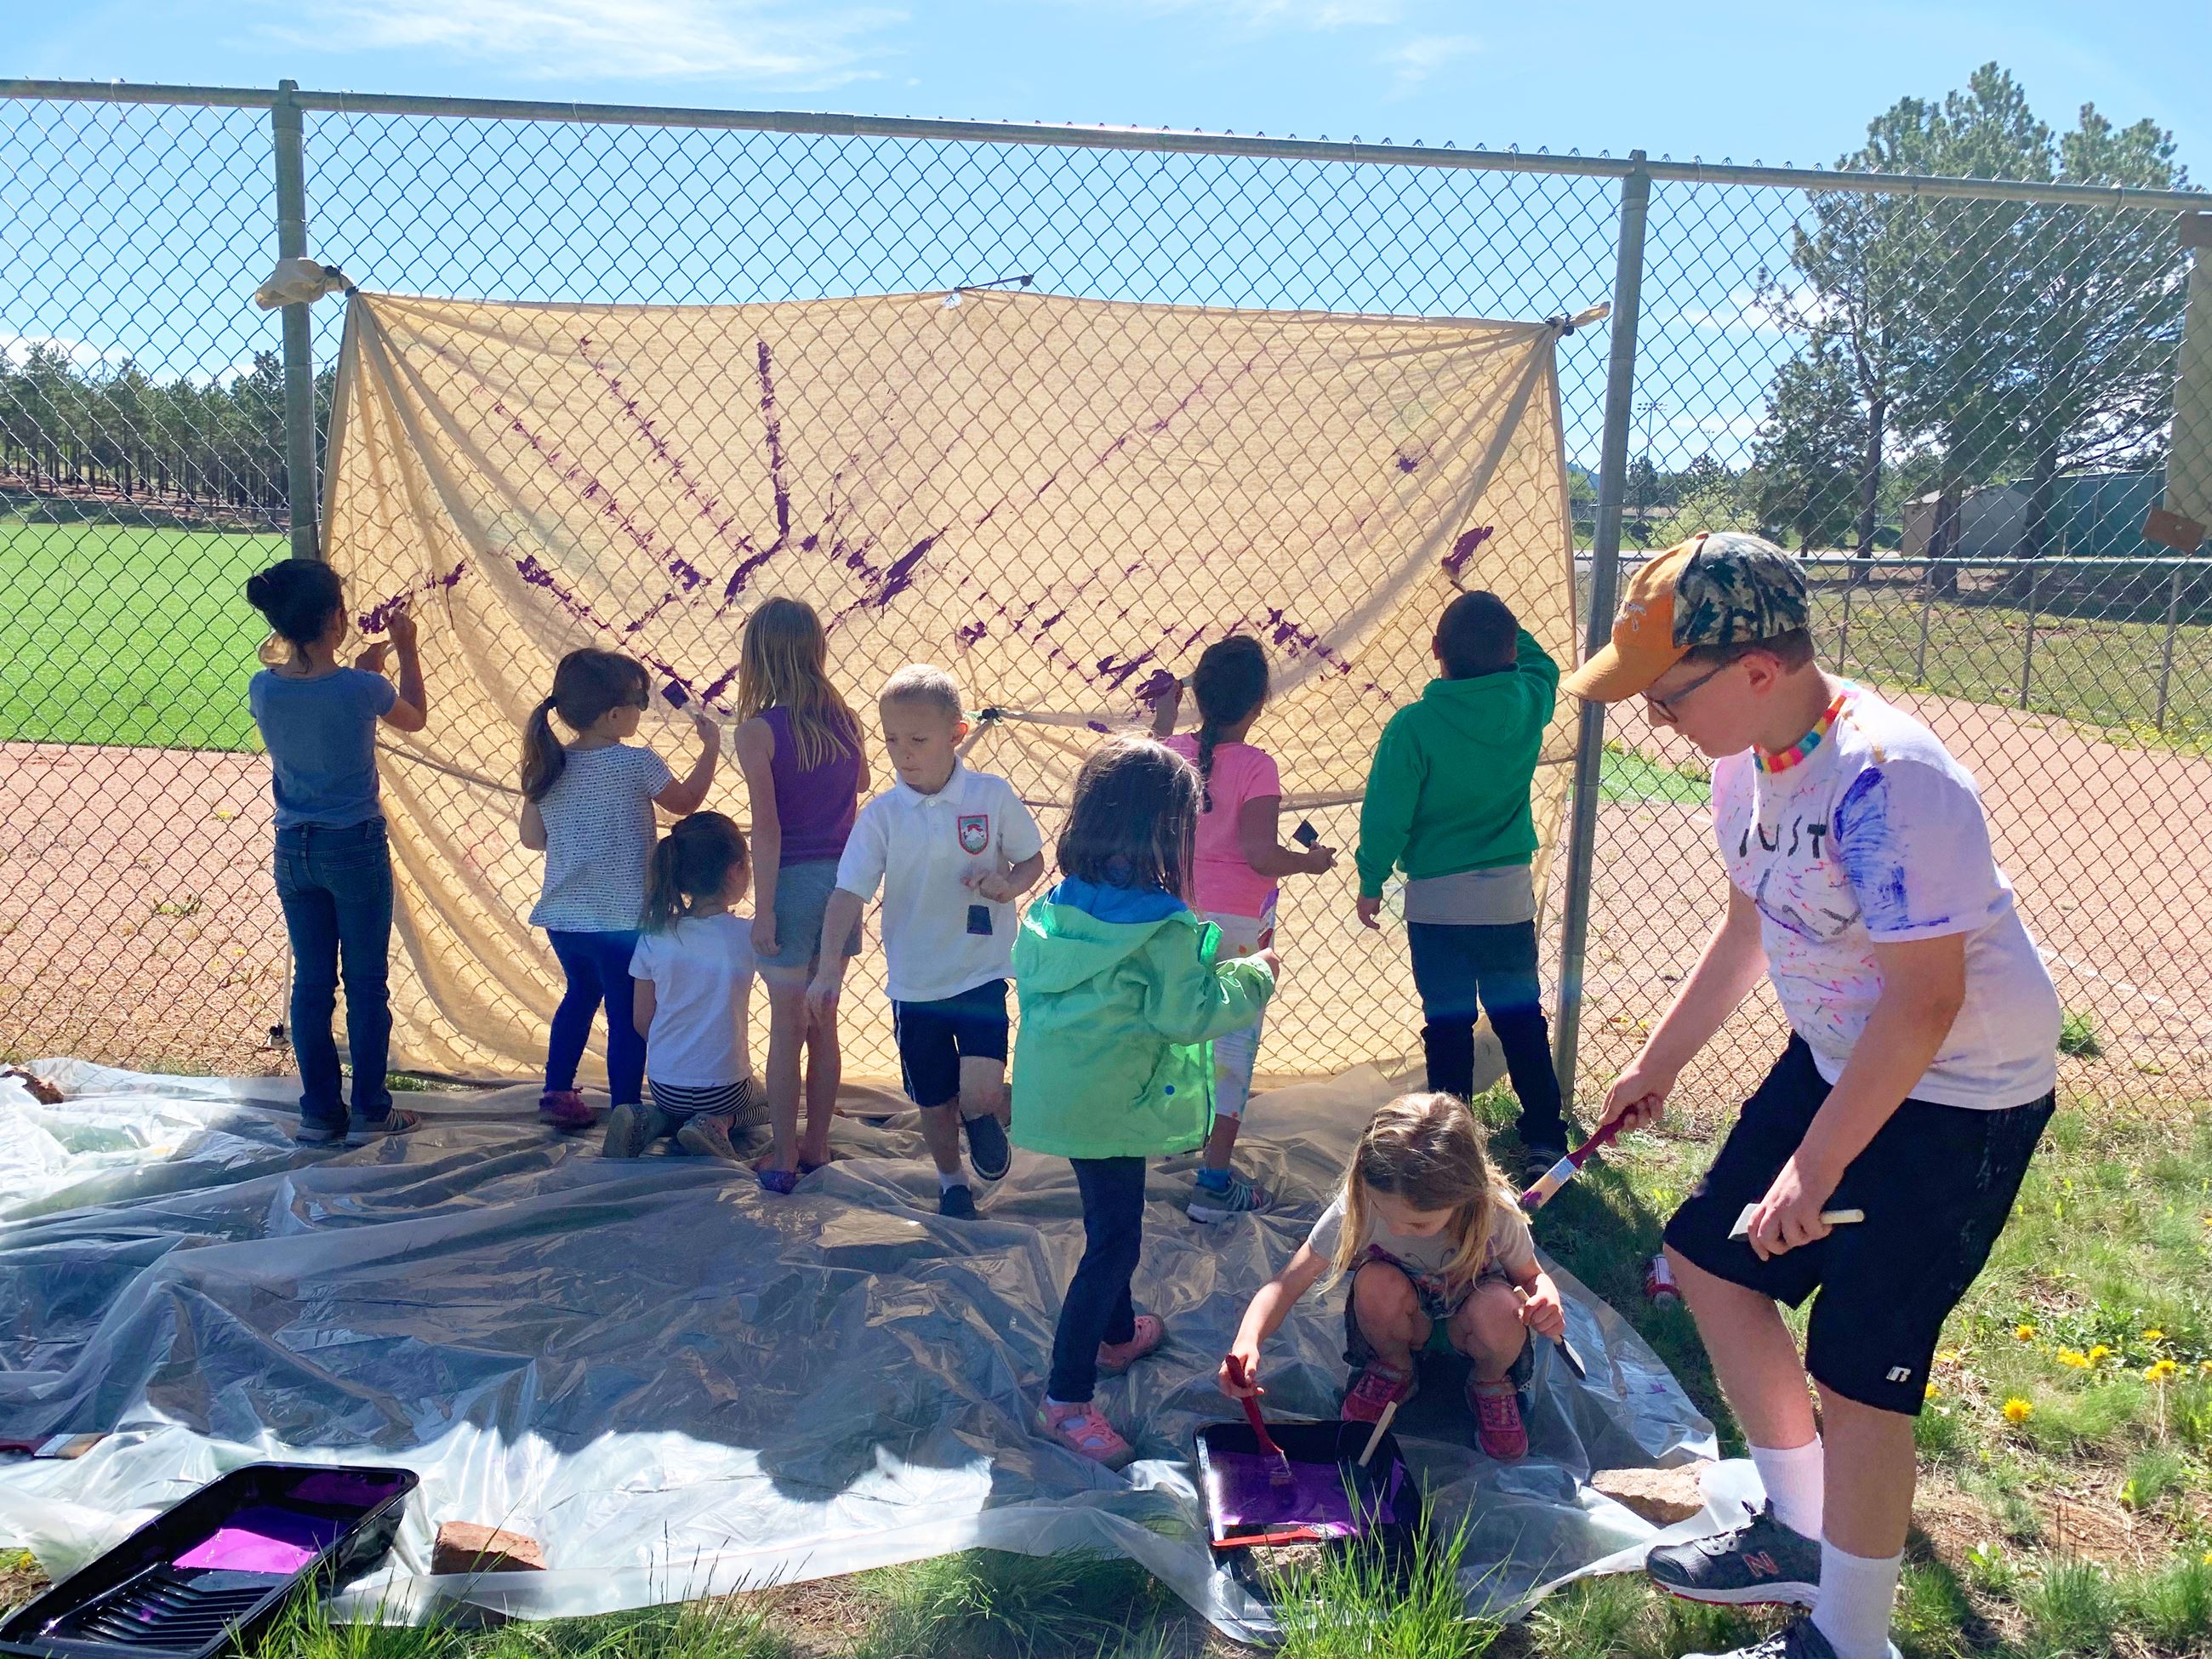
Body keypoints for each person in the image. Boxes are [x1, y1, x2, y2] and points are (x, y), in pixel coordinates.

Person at [1572, 533, 2061, 1659]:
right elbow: (1752, 924)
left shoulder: (1891, 778)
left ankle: (1852, 1639)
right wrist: (1662, 1059)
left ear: (1757, 669)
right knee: (1709, 1257)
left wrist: (1818, 1164)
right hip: (1846, 1053)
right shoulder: (1743, 759)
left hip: (1959, 1092)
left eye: (1667, 695)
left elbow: (1927, 1001)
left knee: (1861, 1371)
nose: (1655, 719)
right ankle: (1798, 1526)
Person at [1012, 737, 1279, 1467]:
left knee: (1111, 1215)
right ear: (1170, 827)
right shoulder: (1160, 923)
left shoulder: (1059, 905)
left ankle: (1117, 1332)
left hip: (1066, 1097)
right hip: (1115, 1104)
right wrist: (1253, 975)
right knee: (1114, 1242)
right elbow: (1187, 1015)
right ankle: (1065, 1399)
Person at [807, 665, 1045, 1210]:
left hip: (981, 971)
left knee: (981, 1091)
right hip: (915, 986)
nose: (902, 752)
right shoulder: (883, 816)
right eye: (891, 739)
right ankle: (951, 1183)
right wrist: (825, 973)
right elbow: (848, 893)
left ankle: (982, 1116)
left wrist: (1009, 884)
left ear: (957, 734)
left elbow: (1031, 858)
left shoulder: (991, 795)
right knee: (934, 1103)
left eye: (917, 740)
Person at [1217, 1091, 1564, 1460]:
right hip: (1406, 1324)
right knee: (1374, 1282)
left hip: (1473, 1324)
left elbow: (1532, 1278)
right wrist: (1247, 1340)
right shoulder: (1360, 1207)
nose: (1396, 1231)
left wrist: (1547, 1300)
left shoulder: (1496, 1215)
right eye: (1386, 1214)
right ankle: (1394, 1367)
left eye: (1418, 1223)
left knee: (1501, 1306)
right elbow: (1286, 1284)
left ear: (1465, 1195)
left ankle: (1491, 1380)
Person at [1354, 589, 1571, 1176]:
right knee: (1520, 1019)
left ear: (1435, 651)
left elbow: (1387, 812)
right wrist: (1499, 623)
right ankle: (1547, 1139)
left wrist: (1372, 876)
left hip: (1437, 903)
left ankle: (1452, 1148)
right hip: (1506, 898)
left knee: (1447, 1024)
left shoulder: (1415, 725)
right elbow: (1545, 666)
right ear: (1510, 653)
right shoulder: (1527, 700)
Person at [244, 559, 430, 1148]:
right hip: (354, 846)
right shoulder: (364, 688)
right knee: (367, 981)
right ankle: (372, 1106)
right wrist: (404, 651)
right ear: (335, 619)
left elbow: (314, 700)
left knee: (312, 983)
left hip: (293, 849)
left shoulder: (263, 687)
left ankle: (320, 1112)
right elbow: (415, 719)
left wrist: (354, 673)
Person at [1150, 636, 1335, 1222]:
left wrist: (1164, 710)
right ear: (1259, 702)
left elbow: (1160, 741)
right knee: (1232, 1046)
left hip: (1176, 919)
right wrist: (1307, 861)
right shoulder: (1257, 766)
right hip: (1236, 927)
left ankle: (1149, 1145)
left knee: (1174, 1030)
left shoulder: (1169, 752)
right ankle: (1213, 1181)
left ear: (1199, 697)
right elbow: (1258, 854)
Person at [521, 648, 720, 1133]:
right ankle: (628, 1110)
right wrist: (710, 748)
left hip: (565, 921)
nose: (642, 713)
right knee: (628, 1016)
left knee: (579, 996)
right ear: (615, 714)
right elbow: (687, 804)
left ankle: (557, 1090)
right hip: (623, 922)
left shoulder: (548, 766)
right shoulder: (636, 764)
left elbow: (532, 839)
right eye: (639, 704)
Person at [731, 598, 865, 1183]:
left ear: (756, 656)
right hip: (843, 885)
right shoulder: (845, 717)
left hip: (790, 884)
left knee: (786, 1025)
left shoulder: (757, 732)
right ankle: (817, 1146)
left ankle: (783, 1158)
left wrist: (763, 910)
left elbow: (767, 827)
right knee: (824, 1021)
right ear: (816, 650)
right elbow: (860, 781)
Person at [614, 812, 761, 1162]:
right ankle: (718, 1124)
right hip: (726, 1087)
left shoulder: (655, 935)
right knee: (766, 1101)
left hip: (664, 1084)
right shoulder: (748, 936)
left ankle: (652, 1119)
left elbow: (640, 1021)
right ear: (734, 871)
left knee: (681, 1103)